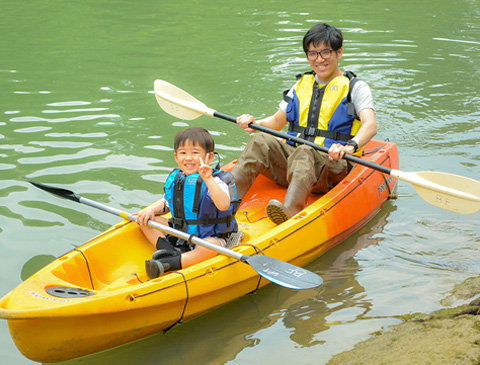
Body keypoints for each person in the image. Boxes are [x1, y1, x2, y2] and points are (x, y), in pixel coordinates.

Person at [231, 23, 377, 225]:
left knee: (306, 151)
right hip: (296, 165)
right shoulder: (300, 85)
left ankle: (289, 211)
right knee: (259, 140)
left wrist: (350, 146)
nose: (319, 60)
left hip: (333, 167)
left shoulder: (355, 87)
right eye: (313, 54)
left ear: (339, 52)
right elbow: (275, 122)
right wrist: (254, 122)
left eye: (325, 52)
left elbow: (370, 125)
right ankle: (225, 201)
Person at [134, 127, 239, 279]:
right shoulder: (178, 178)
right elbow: (166, 204)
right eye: (183, 153)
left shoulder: (215, 180)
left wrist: (208, 179)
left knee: (211, 247)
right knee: (144, 220)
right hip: (181, 234)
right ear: (176, 157)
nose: (188, 158)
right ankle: (171, 251)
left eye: (195, 153)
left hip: (210, 236)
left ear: (209, 158)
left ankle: (168, 263)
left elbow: (223, 205)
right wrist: (151, 210)